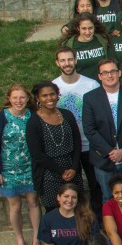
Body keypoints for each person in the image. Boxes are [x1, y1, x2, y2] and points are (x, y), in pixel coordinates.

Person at [0, 84, 41, 245]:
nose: (18, 101)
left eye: (22, 97)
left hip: (30, 167)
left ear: (28, 99)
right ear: (9, 99)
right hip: (9, 169)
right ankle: (19, 238)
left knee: (33, 202)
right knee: (15, 206)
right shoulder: (0, 118)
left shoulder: (34, 116)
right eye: (15, 98)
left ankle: (36, 236)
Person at [27, 81, 83, 212]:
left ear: (57, 95)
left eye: (52, 94)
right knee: (54, 211)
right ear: (38, 98)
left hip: (72, 170)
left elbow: (77, 142)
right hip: (49, 174)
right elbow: (37, 154)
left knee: (77, 209)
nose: (49, 98)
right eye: (44, 95)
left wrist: (74, 168)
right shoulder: (34, 122)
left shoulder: (67, 115)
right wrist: (61, 172)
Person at [61, 13, 113, 81]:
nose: (87, 32)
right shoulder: (69, 45)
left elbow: (112, 62)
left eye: (90, 28)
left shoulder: (103, 41)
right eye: (84, 29)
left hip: (101, 84)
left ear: (94, 27)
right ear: (78, 28)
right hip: (81, 86)